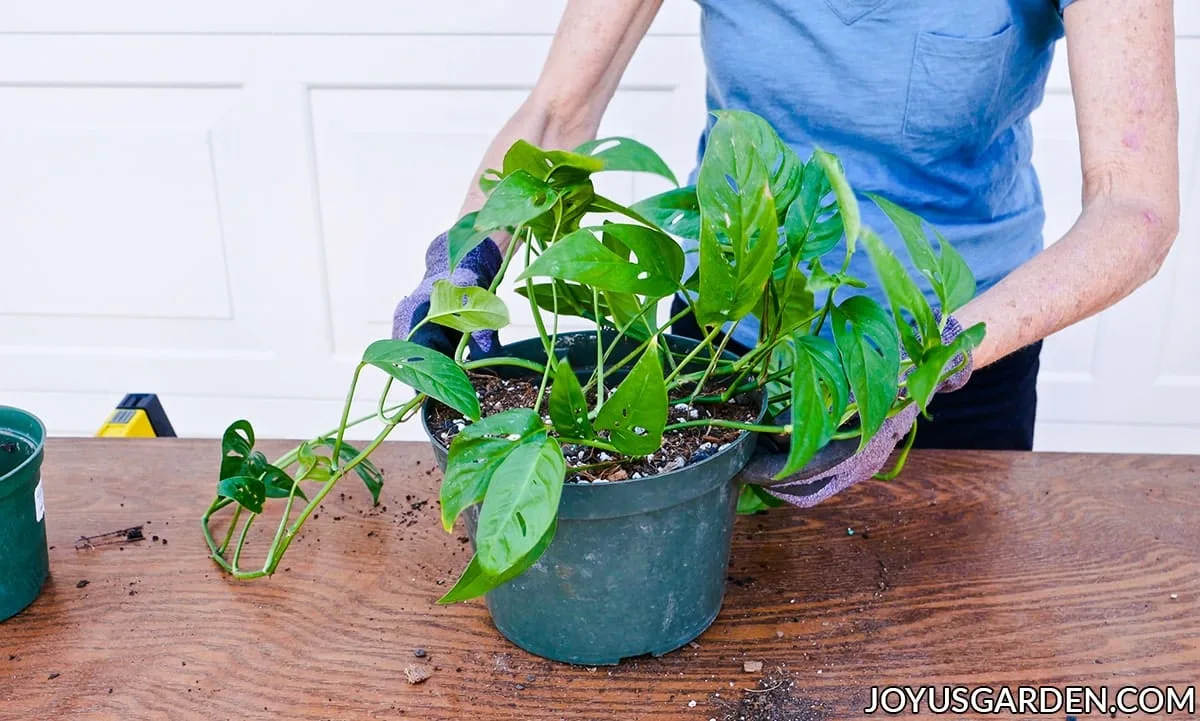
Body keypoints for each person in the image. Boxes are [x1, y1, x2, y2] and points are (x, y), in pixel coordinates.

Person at [393, 0, 1179, 488]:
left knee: (944, 630)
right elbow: (557, 115)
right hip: (723, 349)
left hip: (958, 361)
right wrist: (465, 259)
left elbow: (1135, 206)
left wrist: (941, 355)